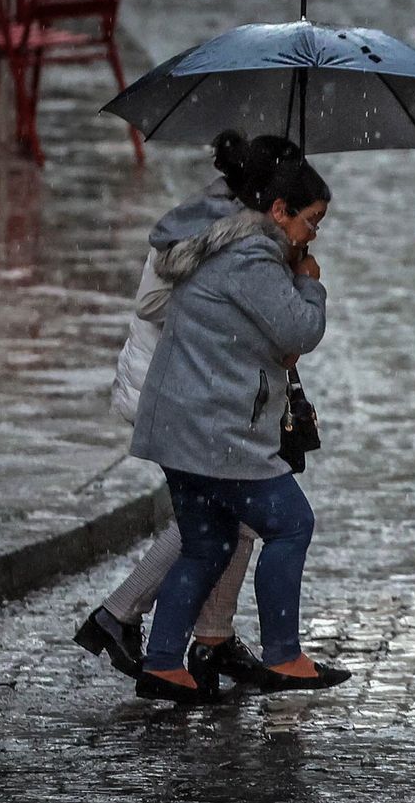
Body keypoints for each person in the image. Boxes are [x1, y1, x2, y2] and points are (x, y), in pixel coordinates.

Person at [127, 131, 348, 703]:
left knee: (207, 543)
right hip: (215, 432)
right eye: (310, 220)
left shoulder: (223, 245)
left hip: (181, 426)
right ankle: (283, 654)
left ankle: (163, 663)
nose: (312, 233)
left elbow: (252, 335)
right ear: (278, 210)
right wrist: (310, 282)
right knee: (290, 523)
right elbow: (300, 329)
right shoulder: (252, 256)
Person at [74, 177, 264, 693]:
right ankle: (131, 618)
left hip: (182, 393)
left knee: (230, 518)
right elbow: (154, 304)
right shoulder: (210, 233)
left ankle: (206, 638)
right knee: (220, 518)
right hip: (173, 395)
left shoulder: (220, 228)